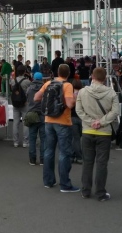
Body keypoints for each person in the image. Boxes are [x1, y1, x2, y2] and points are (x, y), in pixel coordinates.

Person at [33, 64, 79, 193]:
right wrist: (75, 97)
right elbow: (70, 104)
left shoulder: (48, 83)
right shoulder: (67, 85)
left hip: (48, 120)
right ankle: (65, 184)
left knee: (49, 151)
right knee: (64, 153)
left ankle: (48, 181)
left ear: (57, 73)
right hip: (63, 122)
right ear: (68, 74)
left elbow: (36, 97)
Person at [76, 67, 119, 201]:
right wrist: (101, 122)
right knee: (102, 164)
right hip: (104, 133)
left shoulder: (82, 92)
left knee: (87, 163)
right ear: (105, 78)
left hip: (87, 131)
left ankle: (86, 191)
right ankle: (100, 193)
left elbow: (79, 110)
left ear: (92, 77)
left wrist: (91, 122)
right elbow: (115, 112)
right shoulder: (111, 93)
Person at [26, 72, 46, 165]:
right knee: (43, 139)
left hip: (32, 114)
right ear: (41, 79)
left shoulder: (29, 88)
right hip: (43, 114)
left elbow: (27, 99)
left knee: (32, 138)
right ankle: (43, 159)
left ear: (33, 78)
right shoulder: (45, 89)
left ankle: (32, 159)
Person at [12, 65, 31, 148]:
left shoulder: (13, 81)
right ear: (24, 72)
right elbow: (29, 92)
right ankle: (25, 142)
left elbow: (12, 90)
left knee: (15, 123)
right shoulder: (27, 82)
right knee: (25, 123)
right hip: (24, 103)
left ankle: (15, 142)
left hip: (15, 103)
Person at [71, 79, 83, 164]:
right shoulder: (84, 94)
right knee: (78, 137)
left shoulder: (71, 94)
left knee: (75, 138)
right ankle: (76, 155)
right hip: (82, 117)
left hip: (73, 116)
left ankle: (75, 156)